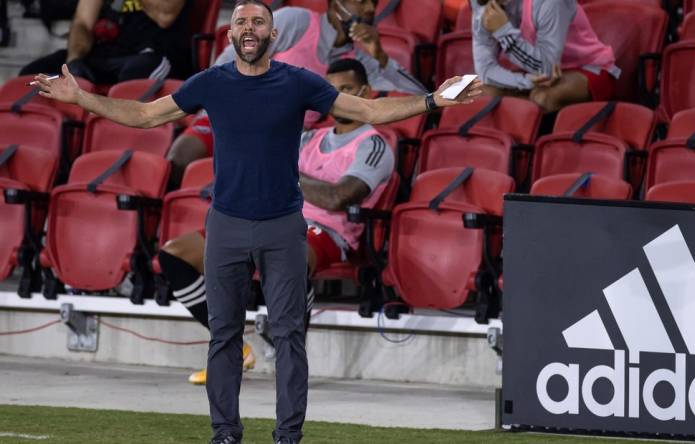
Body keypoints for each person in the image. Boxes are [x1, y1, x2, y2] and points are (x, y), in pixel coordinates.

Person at [33, 1, 480, 442]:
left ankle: (288, 435)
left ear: (273, 34)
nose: (249, 27)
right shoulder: (212, 82)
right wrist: (83, 99)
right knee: (223, 336)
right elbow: (147, 115)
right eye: (241, 21)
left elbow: (368, 112)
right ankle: (225, 433)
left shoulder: (299, 81)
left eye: (258, 21)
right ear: (230, 36)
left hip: (284, 225)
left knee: (289, 336)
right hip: (225, 225)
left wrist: (434, 99)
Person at [160, 58, 395, 386]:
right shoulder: (309, 138)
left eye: (347, 89)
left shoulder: (373, 144)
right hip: (274, 215)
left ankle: (291, 360)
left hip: (328, 232)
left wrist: (283, 174)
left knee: (292, 255)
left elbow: (339, 198)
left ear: (364, 92)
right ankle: (233, 348)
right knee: (175, 253)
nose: (338, 96)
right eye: (333, 90)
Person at [167, 0, 424, 188]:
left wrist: (379, 55)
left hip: (283, 140)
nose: (369, 9)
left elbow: (418, 96)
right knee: (180, 157)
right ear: (337, 5)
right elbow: (231, 57)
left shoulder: (357, 62)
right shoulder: (297, 21)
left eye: (373, 3)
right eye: (360, 2)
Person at [471, 0, 619, 113]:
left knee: (542, 97)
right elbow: (485, 69)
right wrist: (524, 82)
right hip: (536, 73)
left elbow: (546, 68)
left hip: (589, 67)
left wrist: (503, 31)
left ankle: (537, 149)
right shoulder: (481, 3)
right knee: (479, 92)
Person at [19, 0, 188, 83]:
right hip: (107, 55)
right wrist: (74, 60)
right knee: (31, 76)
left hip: (153, 54)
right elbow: (82, 23)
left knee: (134, 74)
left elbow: (166, 15)